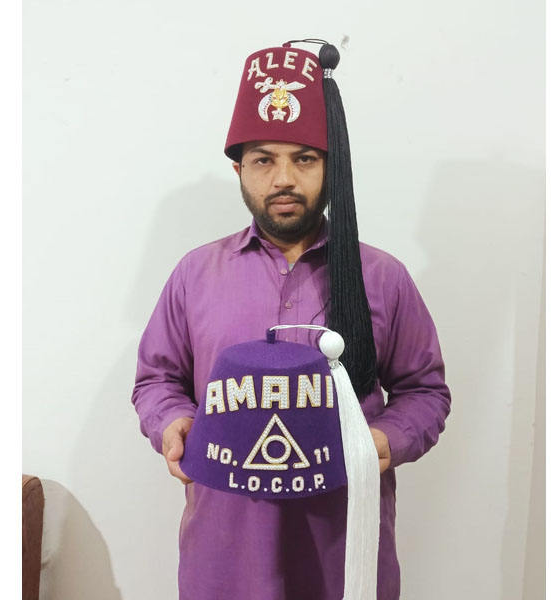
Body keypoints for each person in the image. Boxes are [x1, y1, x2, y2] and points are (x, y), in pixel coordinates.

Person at [132, 39, 451, 600]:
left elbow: (425, 391)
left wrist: (386, 439)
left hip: (341, 547)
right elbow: (157, 379)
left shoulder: (381, 277)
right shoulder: (196, 274)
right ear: (239, 169)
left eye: (304, 159)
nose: (284, 178)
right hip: (224, 548)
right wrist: (173, 422)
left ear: (331, 167)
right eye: (264, 160)